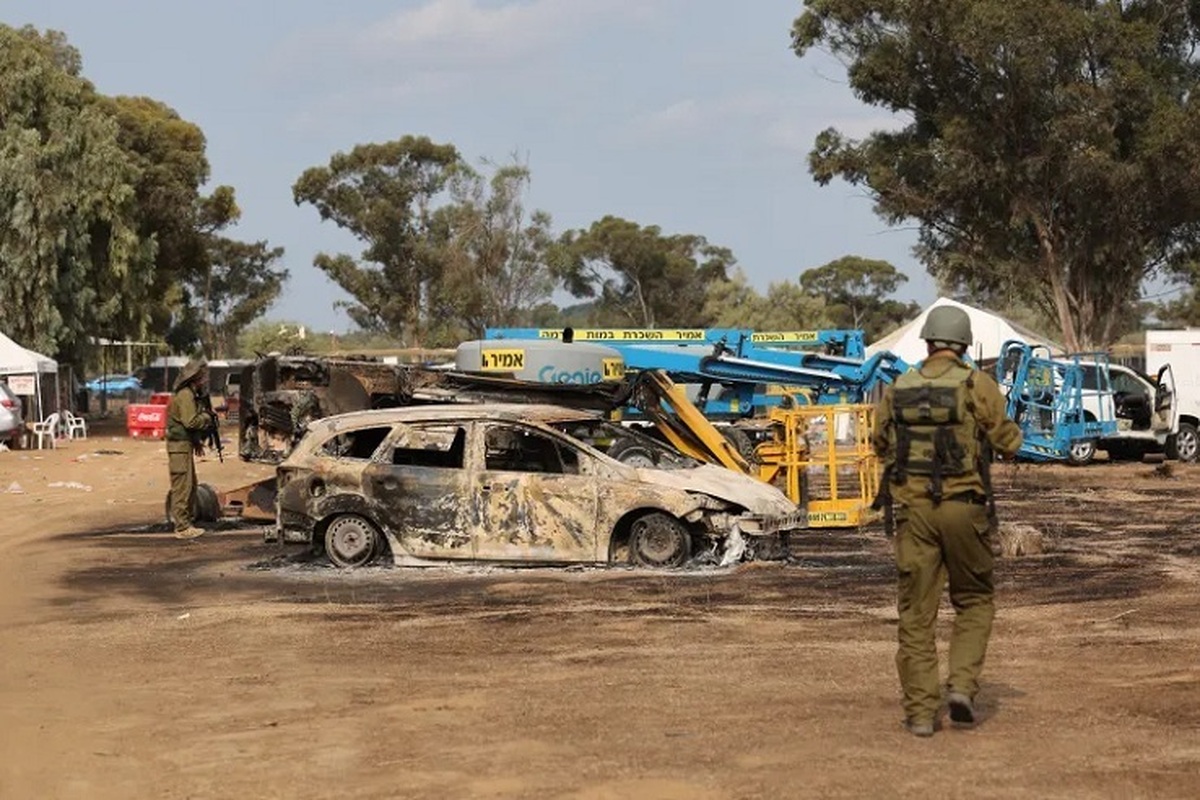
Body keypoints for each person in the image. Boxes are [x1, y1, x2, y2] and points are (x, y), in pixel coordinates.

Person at [871, 306, 1023, 737]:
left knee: (916, 615)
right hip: (965, 509)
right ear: (964, 345)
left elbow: (879, 441)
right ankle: (959, 688)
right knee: (974, 601)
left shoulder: (898, 387)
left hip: (913, 515)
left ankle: (921, 713)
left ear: (927, 342)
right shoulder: (978, 384)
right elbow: (1009, 441)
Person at [166, 358, 214, 540]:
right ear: (197, 377)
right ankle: (182, 527)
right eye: (204, 376)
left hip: (184, 446)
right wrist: (206, 418)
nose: (207, 379)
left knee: (191, 485)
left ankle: (186, 523)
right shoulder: (186, 395)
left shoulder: (191, 394)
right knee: (182, 487)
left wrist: (196, 443)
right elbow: (190, 421)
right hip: (178, 447)